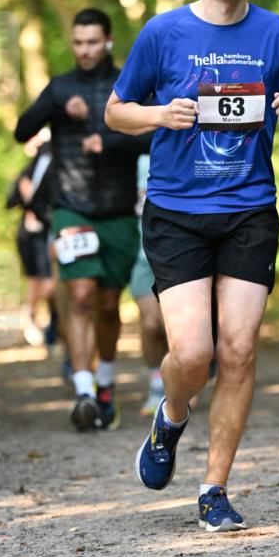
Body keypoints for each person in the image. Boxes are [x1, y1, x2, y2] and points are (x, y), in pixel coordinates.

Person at [105, 0, 279, 532]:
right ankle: (171, 417)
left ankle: (214, 489)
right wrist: (160, 115)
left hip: (250, 208)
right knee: (193, 352)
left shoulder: (277, 34)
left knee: (239, 349)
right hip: (177, 211)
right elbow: (116, 112)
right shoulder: (164, 33)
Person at [15, 8, 149, 430]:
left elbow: (156, 137)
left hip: (118, 212)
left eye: (92, 42)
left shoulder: (130, 83)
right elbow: (21, 130)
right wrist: (54, 105)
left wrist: (109, 142)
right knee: (80, 297)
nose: (85, 50)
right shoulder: (60, 87)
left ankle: (105, 382)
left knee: (108, 305)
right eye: (78, 42)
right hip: (71, 207)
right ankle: (84, 390)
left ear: (108, 41)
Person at [7, 132, 56, 347]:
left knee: (49, 280)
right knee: (34, 278)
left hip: (48, 229)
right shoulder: (31, 167)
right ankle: (30, 319)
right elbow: (12, 199)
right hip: (29, 232)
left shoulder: (53, 158)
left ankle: (47, 323)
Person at [129, 154, 168, 416]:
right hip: (143, 259)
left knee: (172, 326)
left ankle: (180, 384)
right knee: (151, 323)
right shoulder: (134, 158)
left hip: (177, 257)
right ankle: (156, 386)